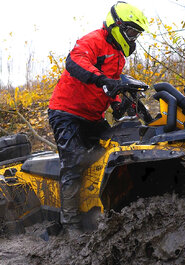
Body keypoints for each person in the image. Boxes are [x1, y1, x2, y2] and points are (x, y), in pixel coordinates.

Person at [47, 1, 149, 234]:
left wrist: (118, 103)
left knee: (114, 152)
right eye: (131, 32)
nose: (133, 37)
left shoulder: (120, 55)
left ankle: (106, 210)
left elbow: (110, 87)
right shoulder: (92, 40)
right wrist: (103, 80)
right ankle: (71, 225)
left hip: (93, 116)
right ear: (117, 26)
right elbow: (75, 63)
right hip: (66, 112)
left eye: (137, 34)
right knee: (73, 163)